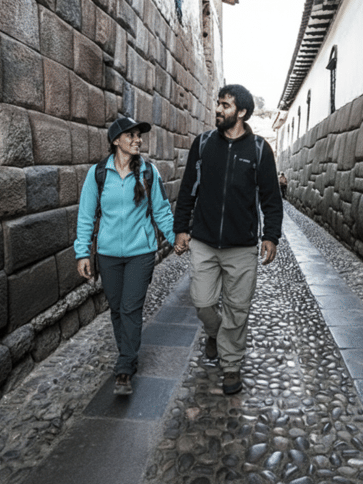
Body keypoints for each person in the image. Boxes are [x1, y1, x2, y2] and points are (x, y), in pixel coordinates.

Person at [173, 84, 283, 395]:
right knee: (202, 302)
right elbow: (187, 189)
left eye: (225, 105)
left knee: (238, 309)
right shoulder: (204, 143)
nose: (218, 110)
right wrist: (181, 228)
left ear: (242, 112)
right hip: (204, 241)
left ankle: (231, 365)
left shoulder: (259, 149)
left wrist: (270, 236)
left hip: (242, 247)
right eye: (218, 103)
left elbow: (271, 199)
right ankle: (214, 332)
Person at [74, 116, 176, 396]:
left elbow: (162, 211)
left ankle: (125, 366)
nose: (137, 140)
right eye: (131, 135)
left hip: (140, 253)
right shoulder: (98, 174)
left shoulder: (148, 172)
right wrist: (82, 252)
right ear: (116, 140)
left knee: (131, 308)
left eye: (139, 135)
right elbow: (86, 215)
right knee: (117, 309)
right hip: (108, 255)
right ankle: (127, 354)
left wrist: (175, 239)